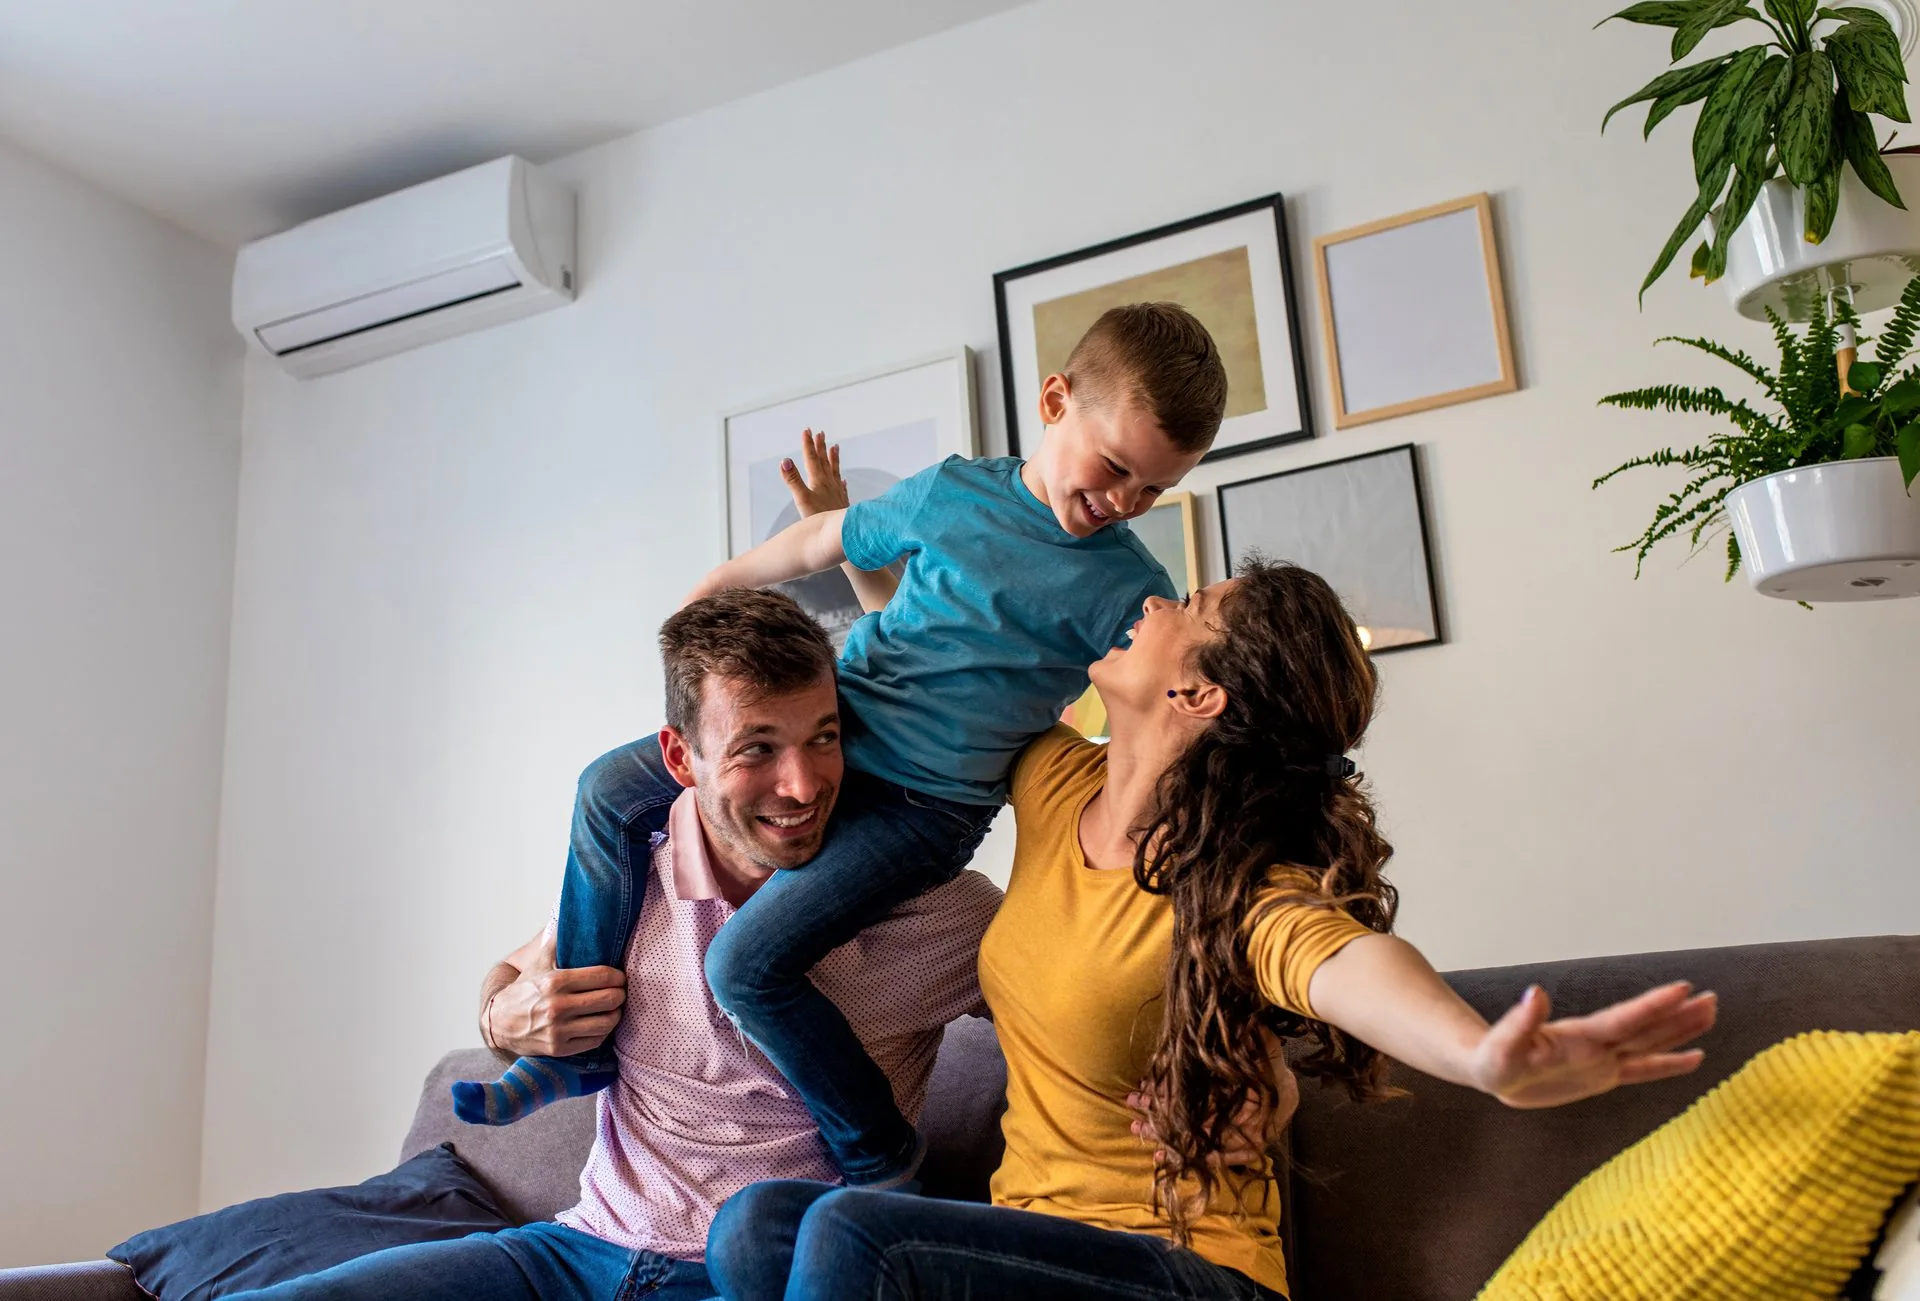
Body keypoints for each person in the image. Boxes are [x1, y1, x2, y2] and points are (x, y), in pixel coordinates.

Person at [704, 561, 1720, 1301]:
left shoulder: (1236, 888)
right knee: (757, 1225)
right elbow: (956, 674)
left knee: (852, 1235)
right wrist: (870, 566)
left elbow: (1342, 959)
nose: (1152, 602)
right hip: (1031, 1248)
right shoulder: (1054, 784)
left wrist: (1478, 1052)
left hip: (1190, 1272)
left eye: (1185, 606)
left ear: (1196, 694)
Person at [459, 303, 1230, 1194]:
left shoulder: (1130, 587)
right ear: (1055, 401)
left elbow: (1164, 724)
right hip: (832, 732)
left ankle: (877, 1152)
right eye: (1117, 468)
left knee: (744, 965)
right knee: (604, 786)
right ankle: (579, 1055)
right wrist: (720, 582)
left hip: (922, 810)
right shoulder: (954, 495)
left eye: (1153, 489)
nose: (1126, 502)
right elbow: (825, 538)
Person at [224, 587, 1001, 1301]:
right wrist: (500, 1014)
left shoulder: (940, 913)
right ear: (680, 758)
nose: (801, 785)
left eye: (822, 737)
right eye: (756, 748)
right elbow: (517, 971)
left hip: (755, 1273)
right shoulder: (632, 873)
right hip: (573, 1250)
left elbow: (1058, 1031)